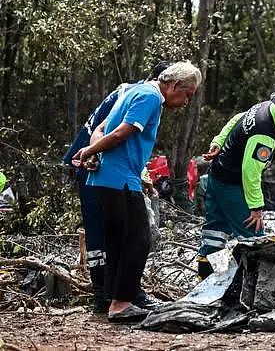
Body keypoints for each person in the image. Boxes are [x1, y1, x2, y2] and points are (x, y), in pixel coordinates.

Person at [72, 61, 202, 322]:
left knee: (118, 239)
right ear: (175, 85)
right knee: (139, 238)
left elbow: (101, 129)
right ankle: (121, 304)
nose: (186, 102)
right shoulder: (151, 97)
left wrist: (94, 153)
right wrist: (89, 152)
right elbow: (120, 133)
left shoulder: (134, 90)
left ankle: (113, 299)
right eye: (187, 95)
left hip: (107, 177)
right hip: (120, 179)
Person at [62, 61, 170, 313]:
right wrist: (92, 155)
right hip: (92, 164)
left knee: (121, 233)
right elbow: (104, 131)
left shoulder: (136, 93)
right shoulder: (141, 95)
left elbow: (128, 146)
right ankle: (105, 294)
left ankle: (118, 294)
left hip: (103, 162)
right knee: (111, 232)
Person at [197, 83, 275, 280]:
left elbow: (236, 119)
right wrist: (256, 207)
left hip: (216, 176)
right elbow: (250, 172)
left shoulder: (264, 107)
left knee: (215, 231)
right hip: (232, 185)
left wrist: (218, 141)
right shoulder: (264, 133)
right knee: (254, 238)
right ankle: (254, 283)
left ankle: (207, 279)